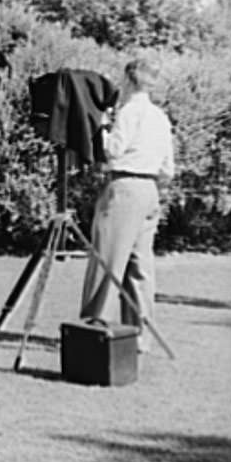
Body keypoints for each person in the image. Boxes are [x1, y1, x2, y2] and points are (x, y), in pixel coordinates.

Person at [80, 59, 175, 352]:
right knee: (140, 266)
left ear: (129, 80)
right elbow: (168, 168)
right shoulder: (160, 117)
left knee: (108, 258)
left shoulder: (129, 112)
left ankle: (96, 326)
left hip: (125, 186)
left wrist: (102, 127)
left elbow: (113, 150)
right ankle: (139, 334)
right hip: (150, 190)